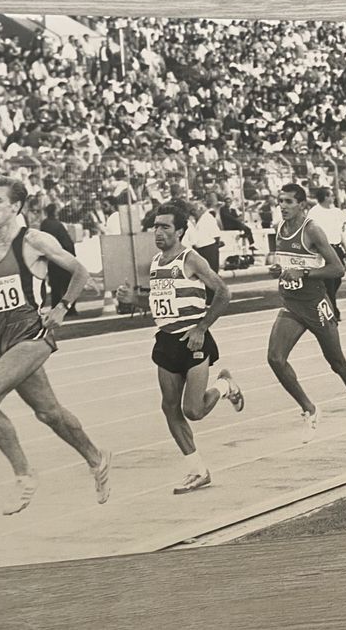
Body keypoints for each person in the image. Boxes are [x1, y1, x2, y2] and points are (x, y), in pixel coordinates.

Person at [0, 176, 112, 515]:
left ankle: (24, 475)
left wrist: (62, 308)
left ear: (15, 206)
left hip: (34, 336)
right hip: (4, 342)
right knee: (49, 413)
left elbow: (80, 271)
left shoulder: (34, 240)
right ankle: (97, 458)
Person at [119, 204, 244, 494]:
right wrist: (131, 299)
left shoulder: (191, 259)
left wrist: (201, 328)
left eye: (165, 227)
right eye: (156, 227)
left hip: (193, 341)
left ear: (180, 231)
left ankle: (225, 386)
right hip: (166, 341)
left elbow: (224, 293)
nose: (158, 232)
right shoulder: (156, 262)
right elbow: (157, 306)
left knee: (193, 410)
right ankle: (198, 470)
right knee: (169, 407)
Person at [267, 183, 346, 443]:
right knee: (275, 358)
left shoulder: (312, 230)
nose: (283, 206)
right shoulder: (279, 228)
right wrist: (277, 270)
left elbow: (337, 269)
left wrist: (304, 273)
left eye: (289, 201)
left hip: (315, 305)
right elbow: (285, 262)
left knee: (337, 363)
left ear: (302, 204)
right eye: (280, 201)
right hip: (291, 304)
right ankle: (309, 409)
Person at [307, 187, 346, 322]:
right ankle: (333, 312)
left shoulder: (336, 212)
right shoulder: (314, 212)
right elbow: (311, 232)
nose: (333, 198)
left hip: (337, 247)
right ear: (325, 197)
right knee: (330, 282)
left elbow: (340, 232)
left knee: (338, 278)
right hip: (324, 249)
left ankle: (327, 303)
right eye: (331, 195)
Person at [39, 203, 78, 316]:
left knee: (55, 285)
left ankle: (55, 307)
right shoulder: (58, 225)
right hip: (64, 256)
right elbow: (67, 242)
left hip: (52, 258)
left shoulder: (45, 224)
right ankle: (70, 309)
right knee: (68, 284)